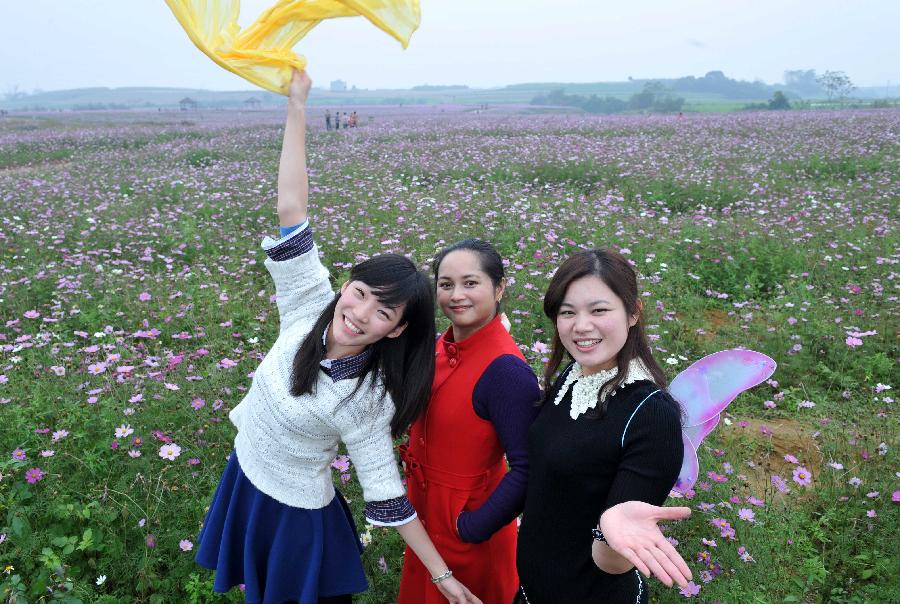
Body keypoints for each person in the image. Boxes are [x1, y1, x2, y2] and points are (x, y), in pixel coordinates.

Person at [194, 69, 481, 604]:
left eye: (384, 311)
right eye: (361, 292)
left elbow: (388, 496)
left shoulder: (366, 398)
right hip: (247, 477)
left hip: (296, 520)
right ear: (346, 286)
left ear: (397, 330)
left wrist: (444, 579)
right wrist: (297, 105)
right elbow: (290, 209)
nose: (361, 312)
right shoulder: (310, 305)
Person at [515, 249, 693, 603]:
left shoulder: (651, 416)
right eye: (568, 312)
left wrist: (610, 535)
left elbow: (611, 564)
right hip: (532, 590)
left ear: (633, 313)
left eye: (599, 310)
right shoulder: (574, 374)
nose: (581, 326)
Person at [398, 240, 542, 604]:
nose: (456, 295)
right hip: (425, 520)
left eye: (470, 283)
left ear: (500, 287)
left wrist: (471, 528)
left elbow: (528, 467)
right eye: (446, 285)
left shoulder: (506, 370)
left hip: (469, 530)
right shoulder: (438, 347)